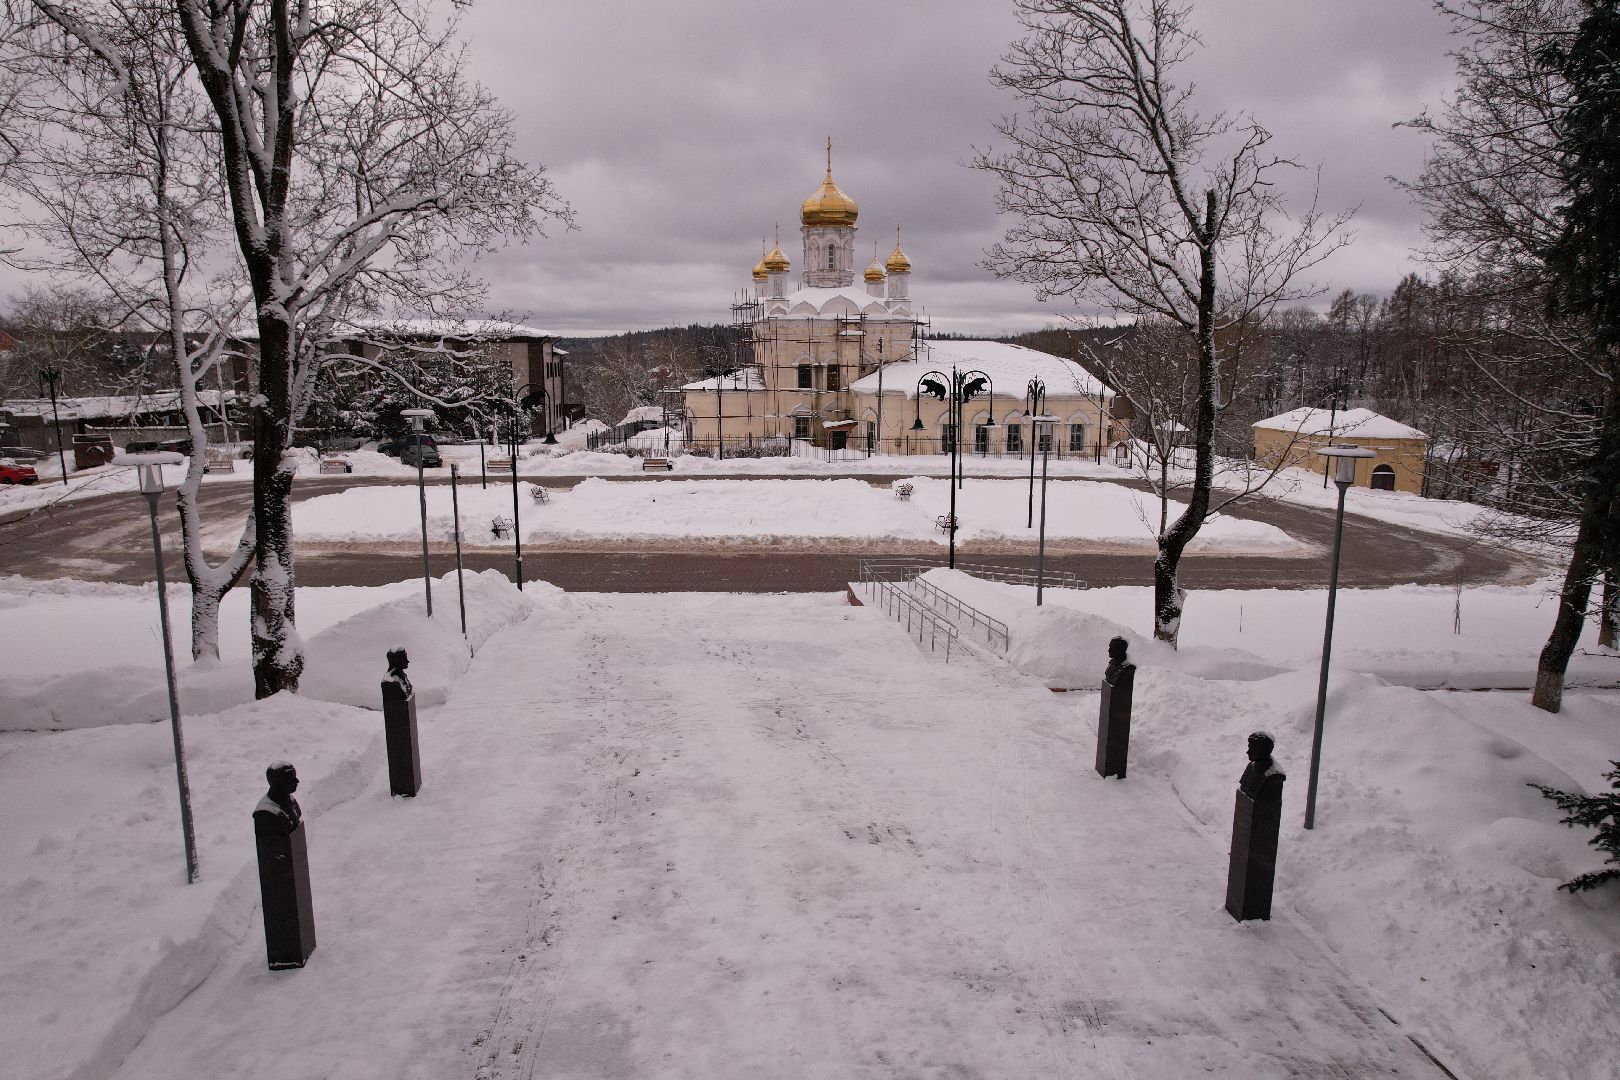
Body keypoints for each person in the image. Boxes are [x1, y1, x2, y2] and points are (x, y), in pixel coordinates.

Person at [253, 761, 303, 837]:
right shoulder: (266, 814)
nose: (297, 781)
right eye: (290, 779)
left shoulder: (291, 800)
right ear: (277, 784)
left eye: (295, 777)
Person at [1238, 731, 1286, 803]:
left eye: (1252, 749)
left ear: (1262, 751)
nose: (1248, 752)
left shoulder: (1275, 777)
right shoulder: (1250, 766)